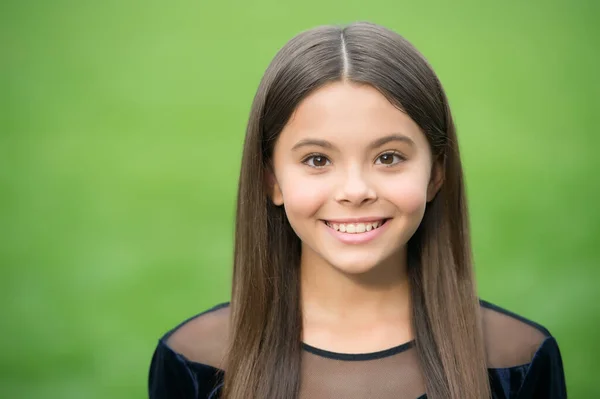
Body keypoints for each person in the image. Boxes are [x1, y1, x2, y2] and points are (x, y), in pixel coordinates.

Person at [148, 22, 567, 399]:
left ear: (436, 173)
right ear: (271, 180)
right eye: (317, 160)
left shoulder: (517, 360)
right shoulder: (195, 362)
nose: (355, 191)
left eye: (387, 157)